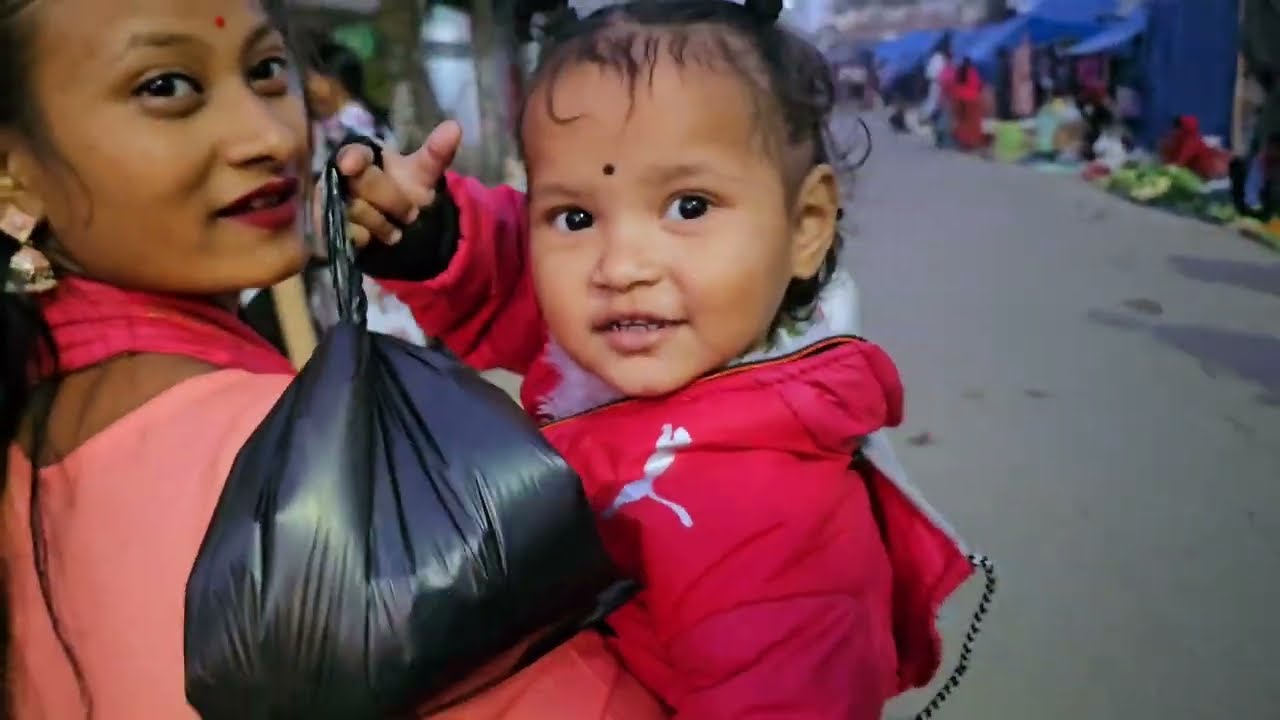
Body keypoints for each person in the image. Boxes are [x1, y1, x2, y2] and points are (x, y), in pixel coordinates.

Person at [0, 1, 663, 717]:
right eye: (165, 87)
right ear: (10, 171)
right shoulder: (307, 469)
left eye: (266, 70)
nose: (270, 136)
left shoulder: (33, 441)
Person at [333, 1, 984, 718]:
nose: (621, 266)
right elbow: (516, 273)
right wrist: (428, 234)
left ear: (805, 226)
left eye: (689, 206)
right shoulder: (659, 337)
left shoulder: (773, 527)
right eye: (576, 217)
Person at [948, 58, 986, 151]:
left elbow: (953, 85)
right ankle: (971, 143)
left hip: (959, 98)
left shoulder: (958, 72)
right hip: (972, 100)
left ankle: (962, 142)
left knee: (962, 121)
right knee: (972, 122)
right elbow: (978, 85)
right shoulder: (973, 72)